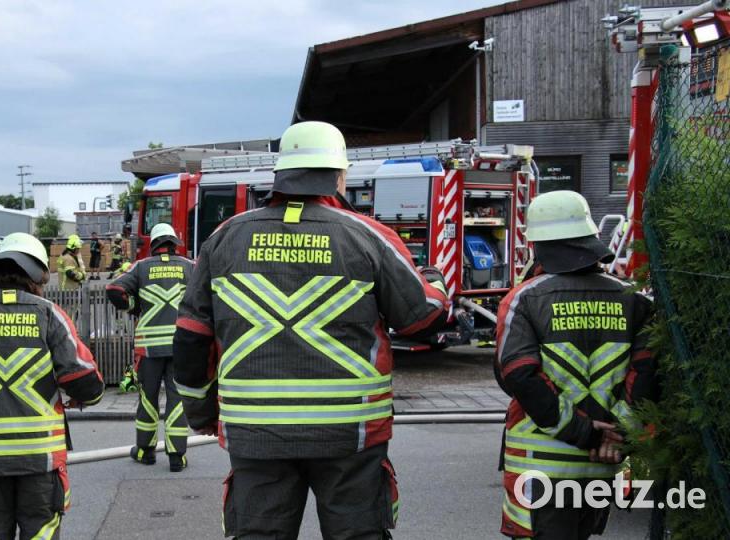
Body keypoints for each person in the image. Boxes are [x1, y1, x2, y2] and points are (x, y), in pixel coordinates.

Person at [172, 121, 451, 539]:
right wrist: (436, 283)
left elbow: (191, 339)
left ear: (280, 175)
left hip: (255, 433)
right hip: (350, 435)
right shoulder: (369, 236)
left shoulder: (224, 238)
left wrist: (200, 413)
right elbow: (423, 318)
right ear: (339, 176)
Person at [495, 191, 657, 539]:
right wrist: (616, 434)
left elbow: (517, 375)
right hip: (602, 464)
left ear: (538, 244)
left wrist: (584, 432)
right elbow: (647, 375)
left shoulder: (525, 299)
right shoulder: (636, 301)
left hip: (540, 468)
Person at [0, 232, 105, 539]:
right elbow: (86, 383)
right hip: (39, 459)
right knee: (40, 532)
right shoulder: (49, 314)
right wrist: (80, 395)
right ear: (38, 274)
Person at [106, 223, 193, 471]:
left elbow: (113, 288)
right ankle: (177, 457)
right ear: (174, 243)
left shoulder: (141, 267)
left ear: (153, 244)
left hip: (149, 348)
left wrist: (133, 306)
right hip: (180, 346)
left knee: (148, 398)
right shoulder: (189, 267)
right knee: (178, 400)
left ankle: (145, 451)